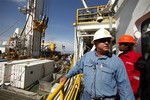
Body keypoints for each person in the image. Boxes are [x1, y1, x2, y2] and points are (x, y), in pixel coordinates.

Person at [60, 28, 134, 100]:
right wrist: (67, 76)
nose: (107, 43)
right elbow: (78, 67)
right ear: (95, 43)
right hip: (86, 97)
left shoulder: (116, 61)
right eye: (103, 40)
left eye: (108, 40)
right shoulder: (87, 56)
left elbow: (124, 87)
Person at [117, 34, 145, 99]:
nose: (119, 46)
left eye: (121, 44)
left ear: (127, 45)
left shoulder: (137, 57)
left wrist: (139, 92)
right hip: (121, 89)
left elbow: (142, 75)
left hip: (133, 90)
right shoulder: (120, 56)